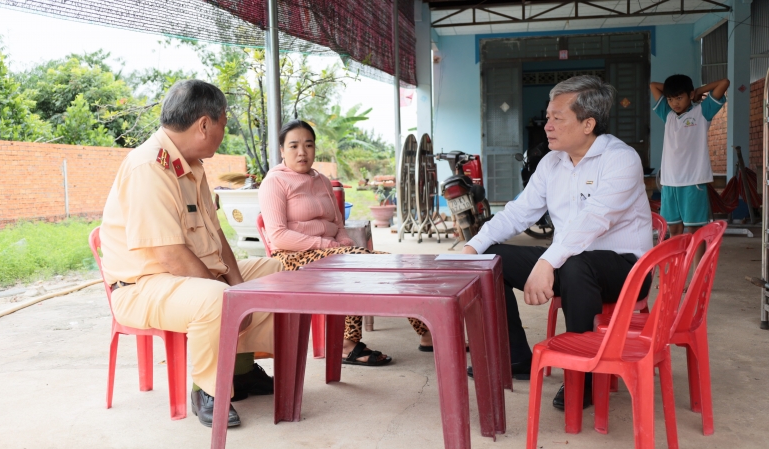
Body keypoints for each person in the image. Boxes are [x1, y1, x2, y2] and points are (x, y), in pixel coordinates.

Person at [100, 80, 283, 428]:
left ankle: (241, 372)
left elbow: (216, 236)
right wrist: (232, 297)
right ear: (204, 124)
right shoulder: (148, 167)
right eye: (223, 124)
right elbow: (169, 254)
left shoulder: (191, 165)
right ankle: (209, 389)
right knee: (217, 298)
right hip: (142, 286)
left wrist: (241, 287)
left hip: (186, 278)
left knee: (273, 271)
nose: (223, 131)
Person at [462, 75, 652, 410]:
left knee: (578, 263)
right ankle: (515, 356)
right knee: (491, 258)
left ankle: (584, 377)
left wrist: (548, 262)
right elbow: (518, 213)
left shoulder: (621, 159)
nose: (546, 125)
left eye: (557, 118)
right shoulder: (552, 163)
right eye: (548, 116)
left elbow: (592, 221)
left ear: (587, 124)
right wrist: (472, 248)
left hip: (625, 270)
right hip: (572, 262)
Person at [259, 119, 432, 366]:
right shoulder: (274, 182)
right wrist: (329, 246)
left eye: (308, 145)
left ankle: (425, 333)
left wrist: (344, 244)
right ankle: (346, 344)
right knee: (355, 265)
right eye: (294, 146)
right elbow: (277, 235)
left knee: (396, 264)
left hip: (330, 253)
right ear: (281, 150)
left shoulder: (322, 181)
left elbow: (339, 225)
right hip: (293, 257)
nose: (302, 152)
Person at [650, 74, 729, 264]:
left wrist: (698, 91)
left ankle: (696, 277)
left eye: (679, 97)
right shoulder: (666, 114)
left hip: (694, 183)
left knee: (695, 231)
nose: (674, 103)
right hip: (669, 184)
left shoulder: (702, 112)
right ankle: (677, 275)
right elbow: (653, 85)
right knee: (674, 230)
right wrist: (677, 91)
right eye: (670, 98)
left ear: (689, 95)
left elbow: (723, 82)